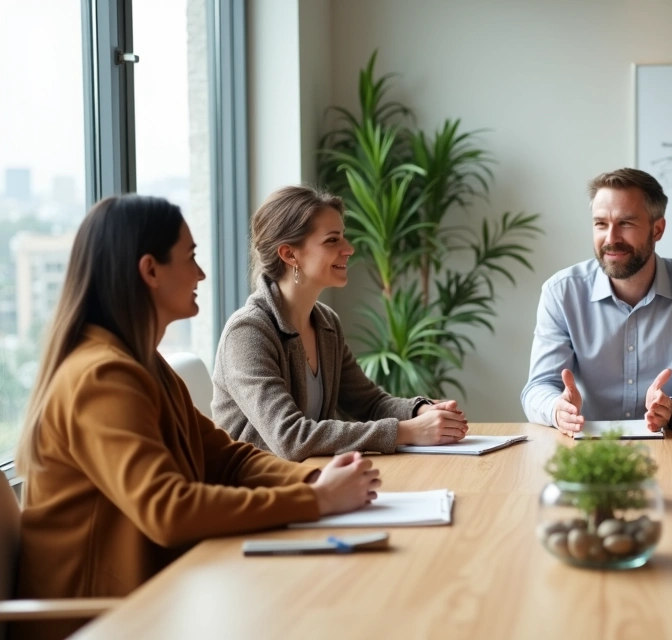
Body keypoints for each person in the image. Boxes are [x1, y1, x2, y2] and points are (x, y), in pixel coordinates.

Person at [14, 195, 378, 640]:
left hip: (157, 592)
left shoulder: (143, 363)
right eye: (189, 258)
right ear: (150, 270)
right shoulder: (101, 376)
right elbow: (168, 509)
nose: (202, 274)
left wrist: (312, 483)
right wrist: (317, 501)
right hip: (103, 620)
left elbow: (227, 459)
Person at [212, 186, 468, 462]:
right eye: (332, 240)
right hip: (256, 494)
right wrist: (406, 431)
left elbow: (369, 403)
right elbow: (290, 438)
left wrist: (420, 411)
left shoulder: (325, 324)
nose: (349, 249)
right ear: (289, 254)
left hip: (311, 482)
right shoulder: (248, 332)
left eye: (343, 237)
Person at [521, 168, 672, 435]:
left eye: (626, 223)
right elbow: (537, 387)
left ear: (657, 229)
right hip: (590, 453)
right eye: (601, 224)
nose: (611, 239)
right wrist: (557, 409)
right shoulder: (561, 292)